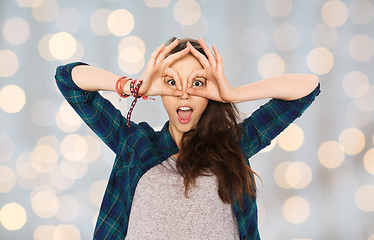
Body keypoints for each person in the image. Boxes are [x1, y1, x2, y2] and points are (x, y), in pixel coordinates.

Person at [55, 37, 320, 240]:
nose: (183, 94)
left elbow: (307, 88)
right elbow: (68, 79)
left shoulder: (235, 145)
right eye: (172, 82)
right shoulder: (136, 144)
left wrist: (232, 93)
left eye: (197, 83)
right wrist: (135, 87)